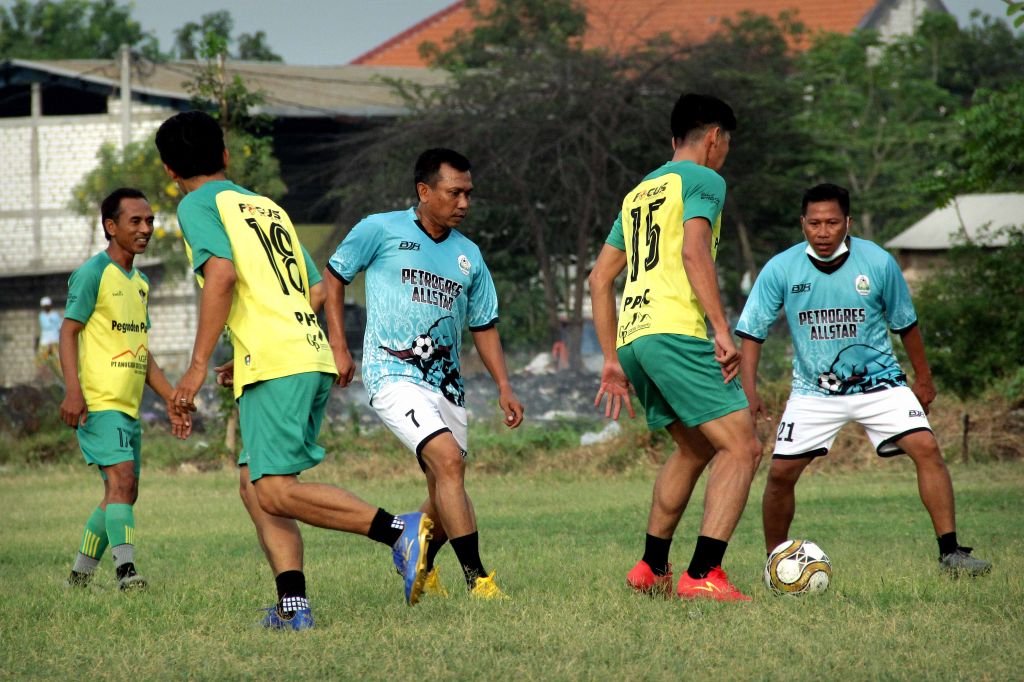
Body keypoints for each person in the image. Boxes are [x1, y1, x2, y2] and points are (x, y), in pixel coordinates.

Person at [155, 110, 433, 630]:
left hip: (279, 362)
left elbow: (221, 276)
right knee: (253, 482)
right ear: (225, 156)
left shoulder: (197, 204)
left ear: (170, 170)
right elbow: (316, 288)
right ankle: (292, 606)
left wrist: (194, 368)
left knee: (276, 490)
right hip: (300, 354)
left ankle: (401, 530)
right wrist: (261, 345)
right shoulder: (265, 207)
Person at [736, 183, 991, 577]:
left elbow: (906, 323)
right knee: (780, 474)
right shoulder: (781, 268)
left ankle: (951, 553)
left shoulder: (877, 262)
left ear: (848, 223)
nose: (823, 232)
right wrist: (749, 394)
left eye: (832, 222)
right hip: (813, 390)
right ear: (802, 224)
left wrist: (923, 379)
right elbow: (752, 334)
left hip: (881, 384)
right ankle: (777, 560)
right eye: (815, 223)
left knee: (926, 448)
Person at [323, 148, 524, 600]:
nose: (464, 203)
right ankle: (479, 580)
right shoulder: (380, 228)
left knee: (443, 485)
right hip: (391, 373)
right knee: (449, 462)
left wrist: (504, 386)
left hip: (448, 385)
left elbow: (484, 325)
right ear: (424, 191)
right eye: (454, 193)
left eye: (468, 194)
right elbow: (335, 276)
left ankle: (419, 561)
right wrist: (339, 346)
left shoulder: (469, 254)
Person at [588, 93, 762, 601]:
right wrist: (721, 329)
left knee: (693, 446)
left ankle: (651, 568)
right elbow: (693, 252)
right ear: (713, 138)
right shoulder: (705, 179)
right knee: (743, 446)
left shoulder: (640, 191)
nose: (723, 152)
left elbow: (600, 280)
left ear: (673, 141)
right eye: (724, 143)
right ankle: (704, 573)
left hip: (635, 339)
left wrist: (610, 360)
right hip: (674, 333)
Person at [60, 188, 190, 590]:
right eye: (135, 221)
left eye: (150, 221)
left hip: (128, 407)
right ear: (110, 226)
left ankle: (79, 578)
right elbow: (69, 331)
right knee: (121, 482)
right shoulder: (93, 273)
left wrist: (171, 397)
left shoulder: (141, 283)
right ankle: (126, 574)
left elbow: (142, 352)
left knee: (124, 491)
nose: (146, 228)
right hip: (100, 403)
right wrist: (72, 391)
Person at [36, 295, 63, 379]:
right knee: (41, 361)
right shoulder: (41, 316)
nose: (45, 307)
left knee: (58, 361)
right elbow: (44, 327)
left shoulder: (55, 315)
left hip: (55, 340)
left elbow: (59, 327)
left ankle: (60, 377)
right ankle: (43, 377)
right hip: (44, 341)